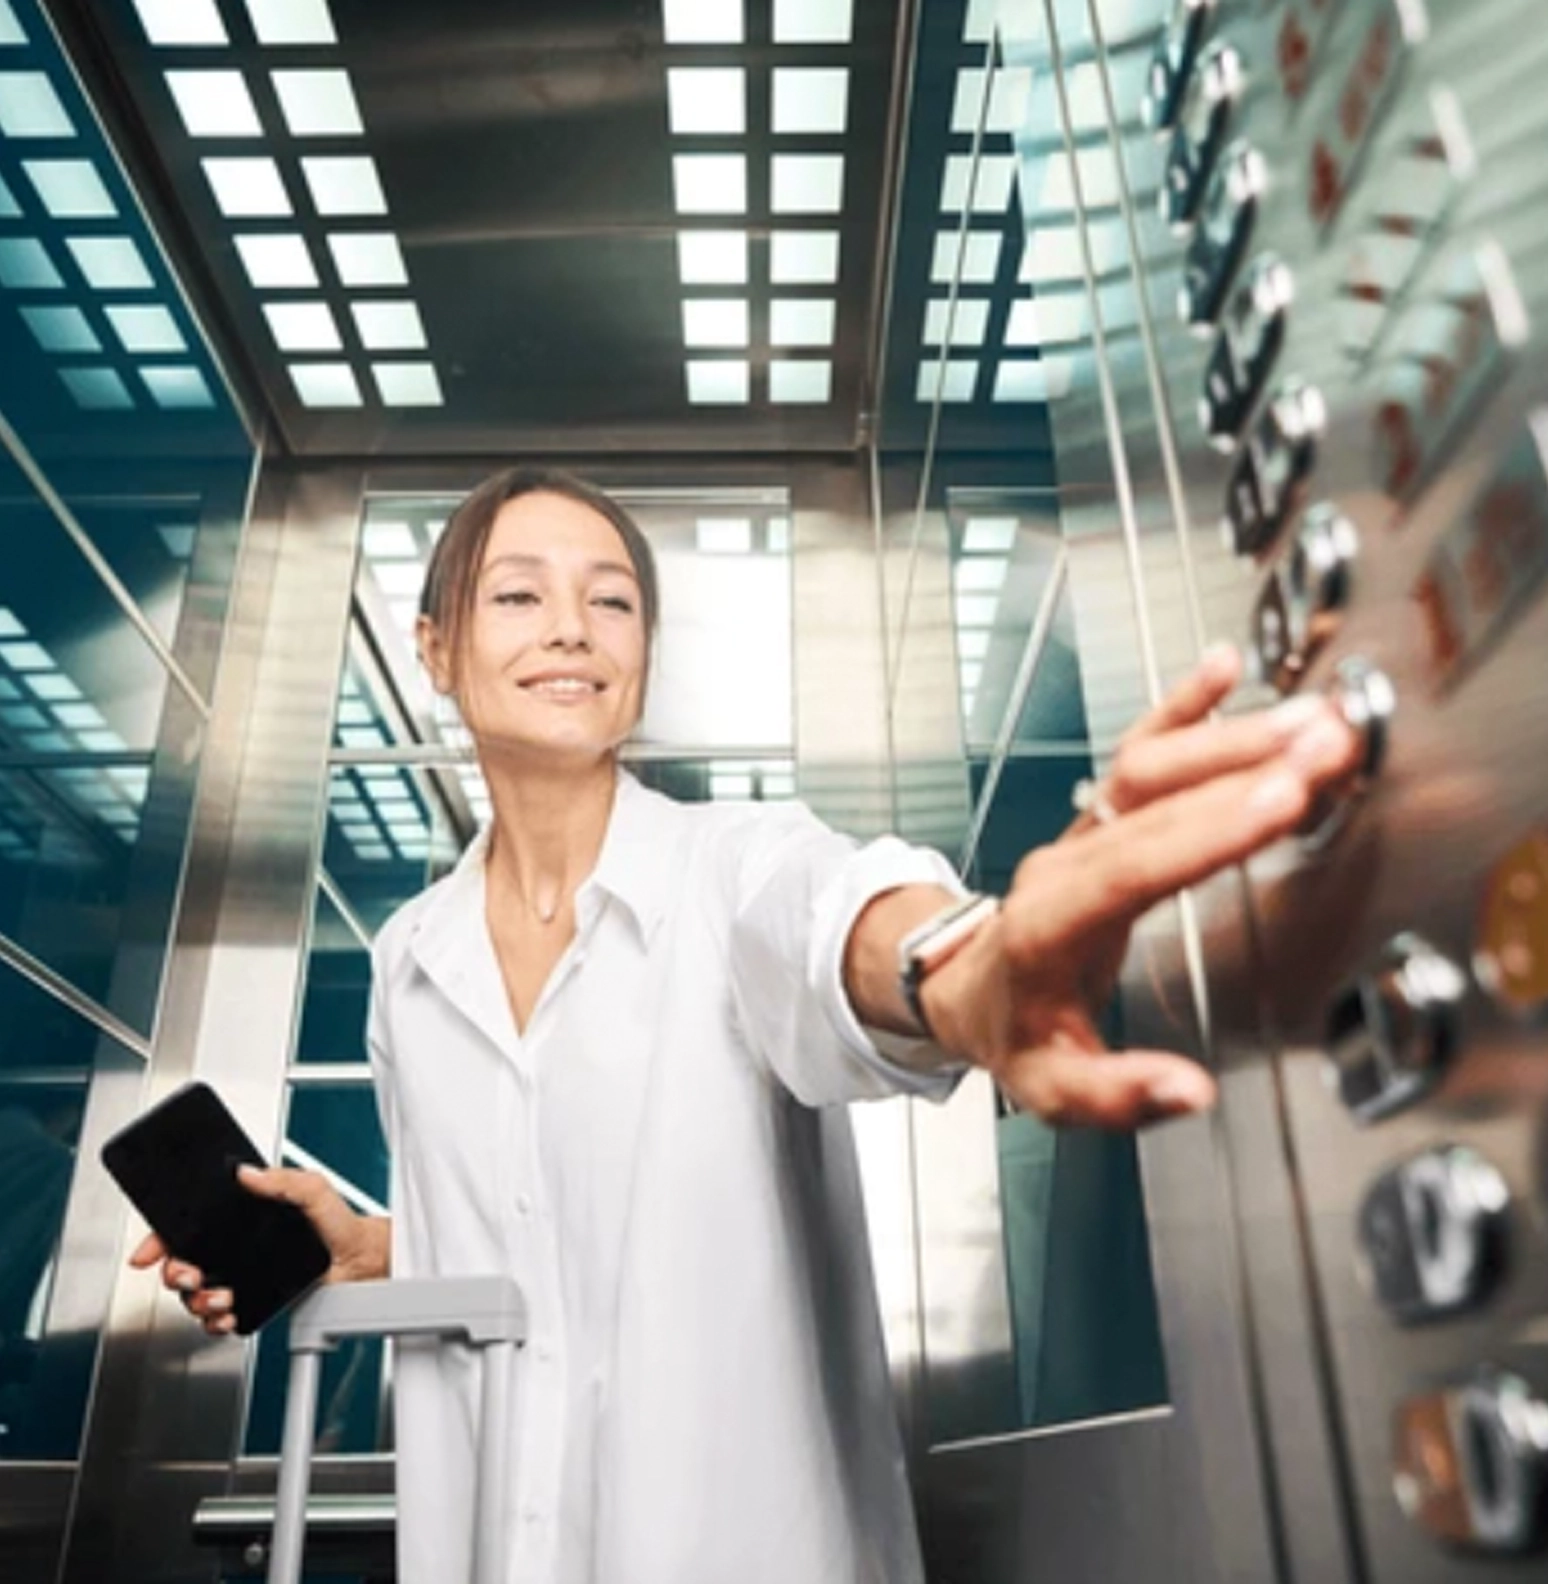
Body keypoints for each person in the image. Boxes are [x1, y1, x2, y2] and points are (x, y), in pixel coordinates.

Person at [131, 467, 1361, 1583]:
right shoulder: (408, 958)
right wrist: (374, 1248)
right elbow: (542, 1240)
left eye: (612, 601)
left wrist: (964, 971)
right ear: (436, 648)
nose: (572, 627)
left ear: (643, 653)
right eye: (518, 595)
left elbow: (840, 923)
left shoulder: (733, 869)